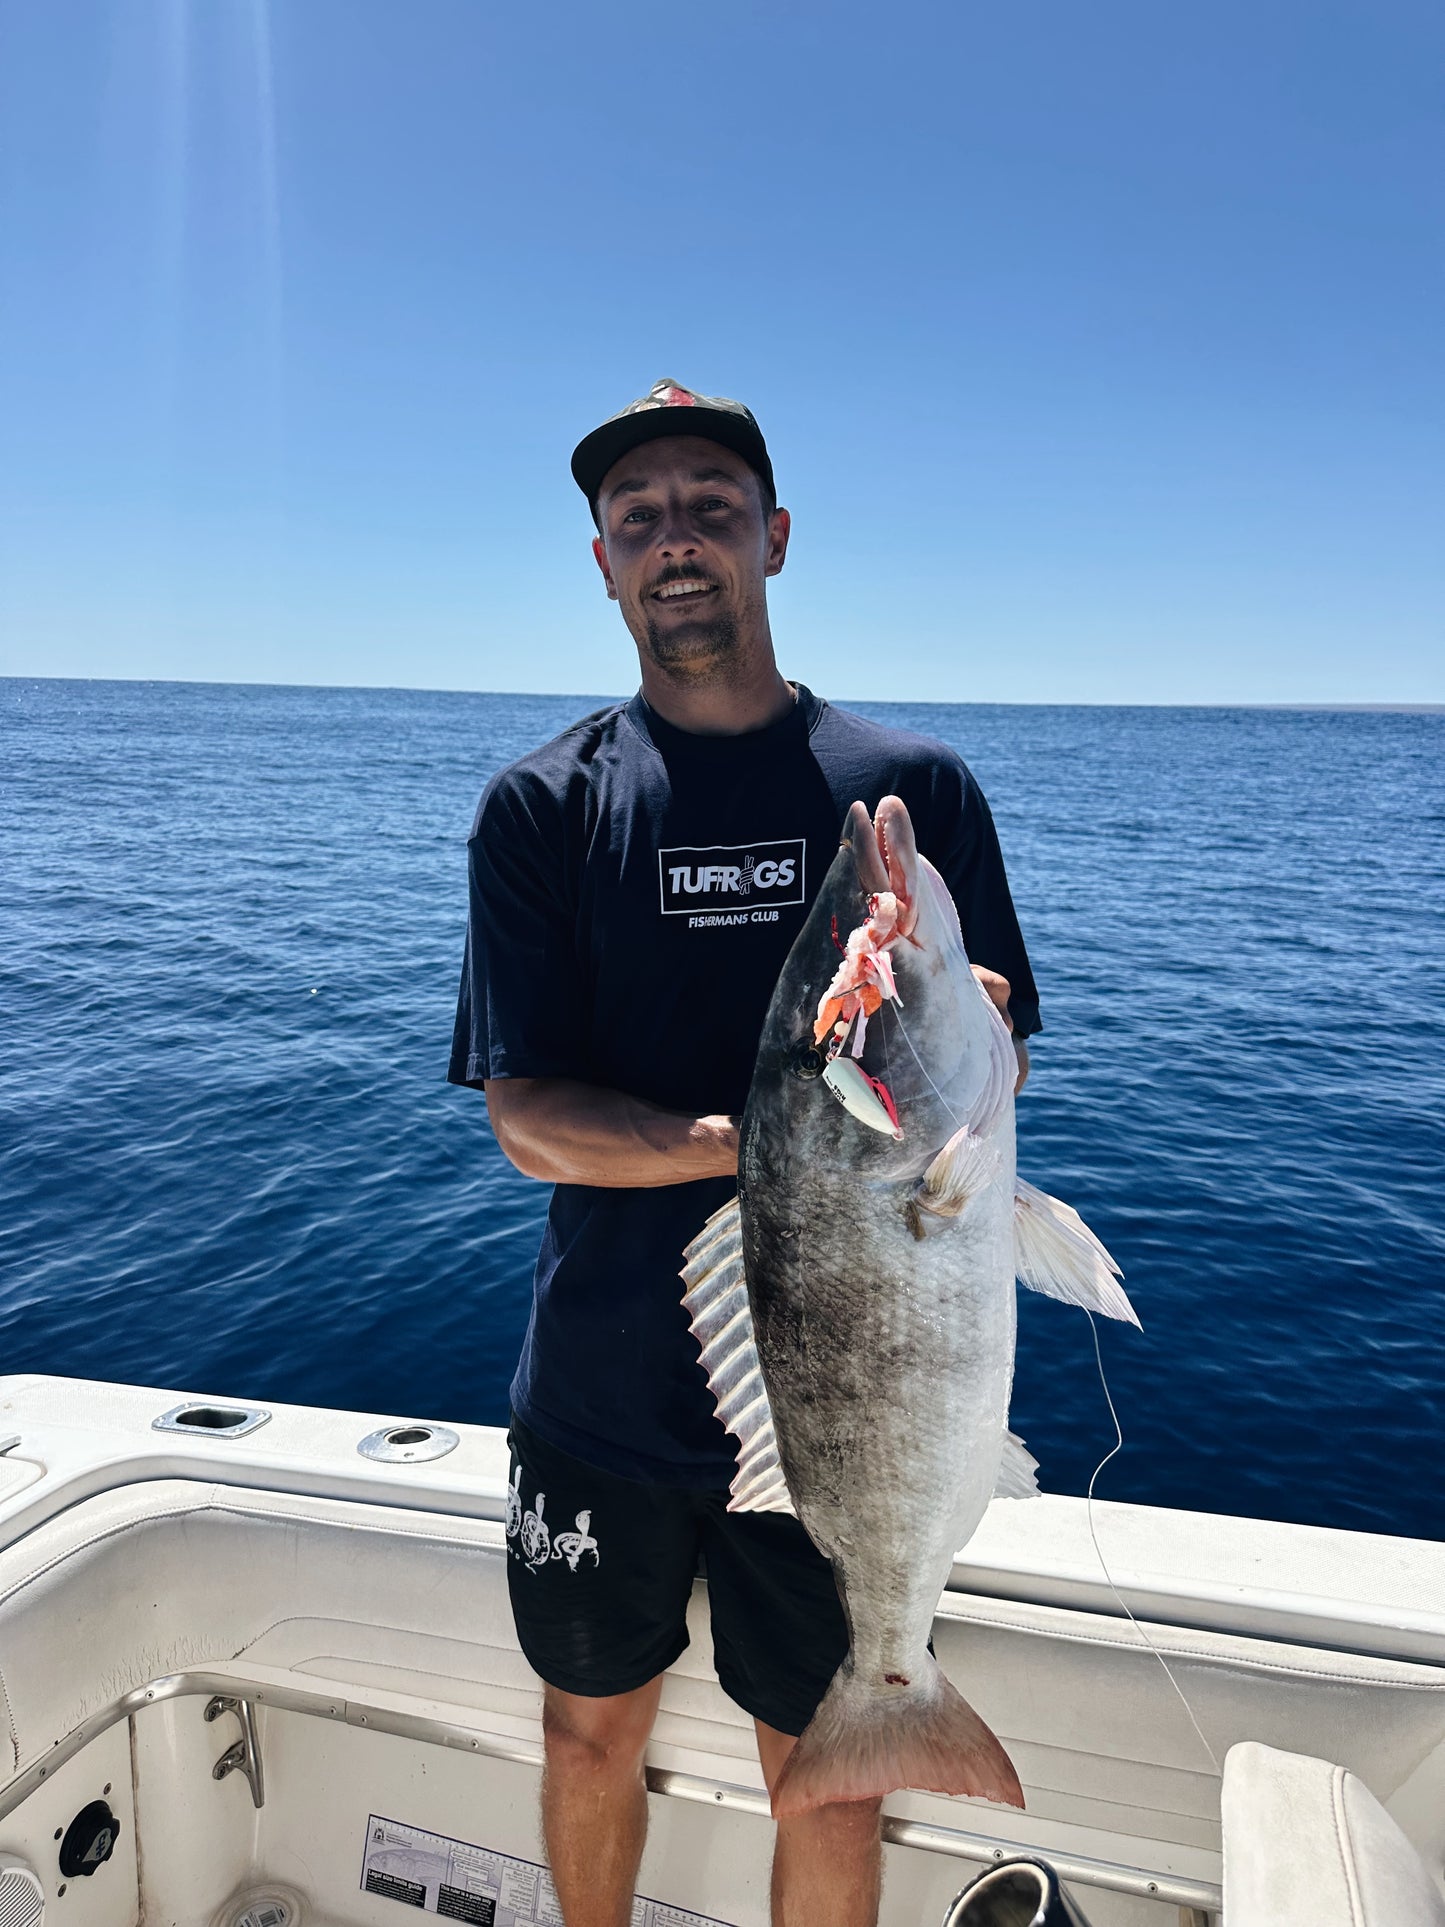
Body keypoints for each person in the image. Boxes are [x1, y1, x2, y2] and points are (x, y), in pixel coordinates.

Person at [448, 379, 1040, 1927]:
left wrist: (958, 1023)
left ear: (772, 537)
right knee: (587, 1735)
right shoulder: (541, 808)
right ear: (601, 561)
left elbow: (998, 1047)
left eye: (710, 505)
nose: (676, 539)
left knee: (820, 1774)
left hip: (857, 1405)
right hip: (601, 1396)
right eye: (637, 516)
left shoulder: (909, 795)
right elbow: (526, 1117)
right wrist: (759, 1149)